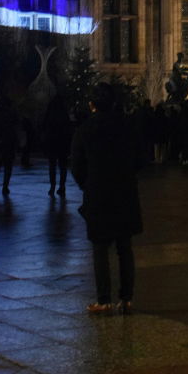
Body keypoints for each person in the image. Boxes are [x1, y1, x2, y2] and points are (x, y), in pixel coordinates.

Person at [71, 83, 144, 315]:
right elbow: (142, 158)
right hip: (124, 192)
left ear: (92, 104)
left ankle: (104, 300)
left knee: (100, 248)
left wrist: (89, 184)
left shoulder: (85, 129)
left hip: (99, 193)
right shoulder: (127, 126)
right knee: (125, 247)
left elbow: (76, 165)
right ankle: (127, 298)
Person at [0, 96, 20, 195]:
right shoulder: (12, 113)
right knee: (8, 166)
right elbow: (16, 126)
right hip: (9, 142)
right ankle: (5, 186)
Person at [44, 94, 73, 196]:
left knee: (52, 166)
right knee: (62, 166)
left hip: (52, 142)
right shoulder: (64, 114)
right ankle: (62, 186)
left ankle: (52, 186)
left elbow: (45, 128)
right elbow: (68, 130)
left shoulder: (50, 114)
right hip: (62, 143)